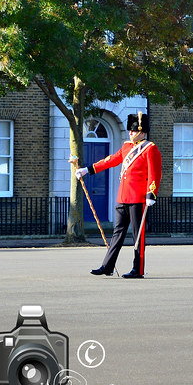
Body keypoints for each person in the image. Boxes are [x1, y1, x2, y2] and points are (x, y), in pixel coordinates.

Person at [75, 112, 161, 279]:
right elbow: (111, 160)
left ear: (142, 132)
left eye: (134, 130)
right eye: (130, 130)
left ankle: (138, 269)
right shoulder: (127, 147)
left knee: (138, 235)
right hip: (123, 197)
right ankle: (107, 266)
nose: (130, 133)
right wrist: (88, 169)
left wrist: (151, 193)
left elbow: (155, 173)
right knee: (117, 233)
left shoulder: (150, 149)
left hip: (138, 198)